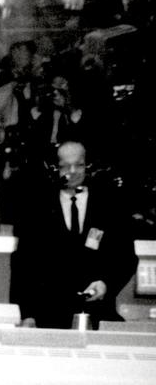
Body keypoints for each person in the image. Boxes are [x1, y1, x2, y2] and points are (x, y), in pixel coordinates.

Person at [11, 141, 135, 329]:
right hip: (48, 316)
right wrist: (27, 314)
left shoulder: (110, 204)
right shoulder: (37, 208)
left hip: (98, 315)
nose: (73, 171)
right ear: (55, 168)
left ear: (88, 166)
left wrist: (106, 284)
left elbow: (126, 257)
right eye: (65, 166)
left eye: (79, 164)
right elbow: (23, 266)